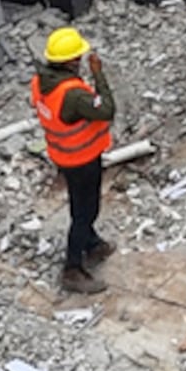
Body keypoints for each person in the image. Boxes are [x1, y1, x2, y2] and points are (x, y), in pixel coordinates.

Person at [31, 26, 117, 295]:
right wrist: (98, 74)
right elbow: (107, 110)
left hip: (63, 156)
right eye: (77, 57)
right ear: (70, 62)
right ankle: (72, 268)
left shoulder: (41, 83)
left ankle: (91, 243)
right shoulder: (73, 94)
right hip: (82, 158)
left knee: (79, 204)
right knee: (85, 211)